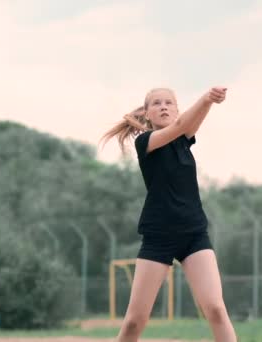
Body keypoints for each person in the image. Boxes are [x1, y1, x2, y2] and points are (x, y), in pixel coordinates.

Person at [101, 86, 237, 342]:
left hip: (194, 235)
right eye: (156, 103)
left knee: (216, 309)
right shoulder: (146, 142)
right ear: (147, 114)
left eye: (168, 103)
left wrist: (208, 104)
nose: (163, 106)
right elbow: (183, 124)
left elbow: (189, 123)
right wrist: (207, 97)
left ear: (176, 110)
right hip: (159, 237)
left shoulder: (184, 141)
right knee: (133, 322)